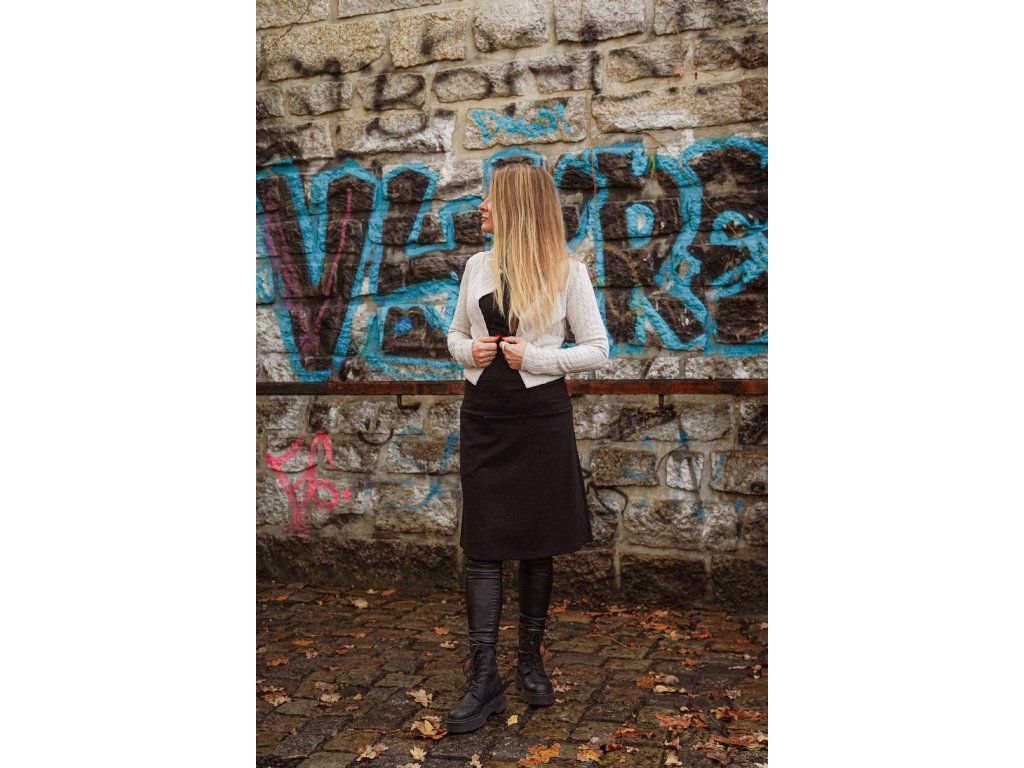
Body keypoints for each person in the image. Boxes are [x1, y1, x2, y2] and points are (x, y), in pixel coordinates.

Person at [443, 163, 611, 733]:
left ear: (515, 207)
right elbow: (454, 335)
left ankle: (530, 662)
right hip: (484, 417)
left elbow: (597, 349)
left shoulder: (567, 271)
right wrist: (470, 351)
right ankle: (483, 678)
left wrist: (534, 358)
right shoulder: (477, 266)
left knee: (539, 544)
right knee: (483, 545)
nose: (481, 207)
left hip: (540, 418)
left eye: (490, 199)